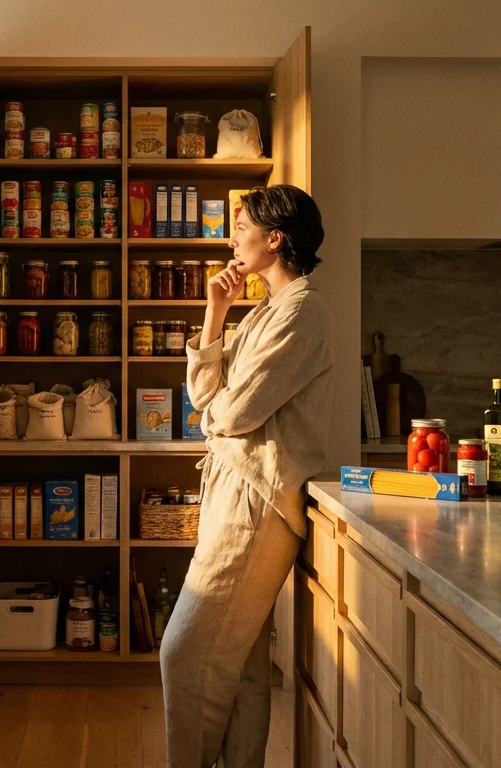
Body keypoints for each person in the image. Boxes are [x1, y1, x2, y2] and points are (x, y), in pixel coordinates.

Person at [160, 184, 337, 768]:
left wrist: (216, 416)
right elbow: (204, 396)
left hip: (258, 498)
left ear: (275, 238)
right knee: (240, 665)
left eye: (241, 228)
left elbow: (231, 413)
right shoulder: (264, 309)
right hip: (235, 489)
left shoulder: (304, 311)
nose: (232, 237)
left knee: (182, 652)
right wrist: (215, 312)